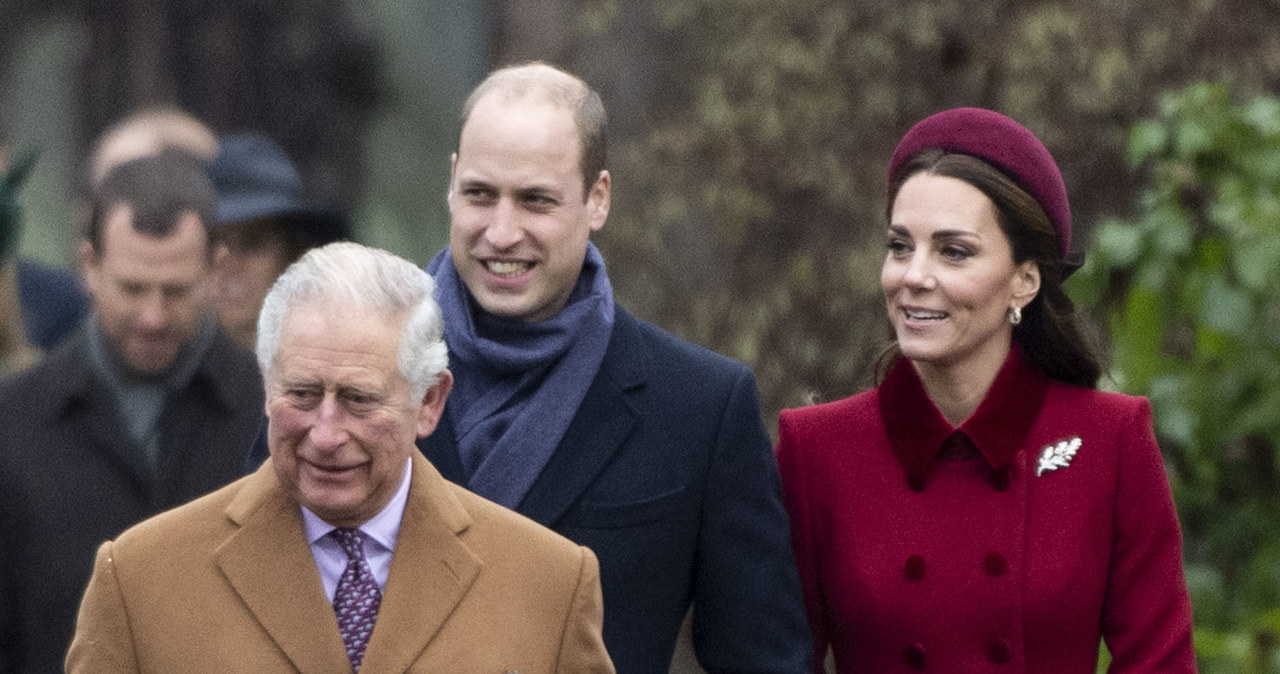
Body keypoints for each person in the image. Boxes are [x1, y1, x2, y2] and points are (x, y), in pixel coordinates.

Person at [417, 62, 810, 672]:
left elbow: (763, 658)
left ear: (598, 198)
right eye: (480, 194)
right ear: (450, 184)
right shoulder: (353, 365)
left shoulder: (700, 407)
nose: (500, 231)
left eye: (536, 201)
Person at [776, 107, 1196, 672]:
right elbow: (773, 659)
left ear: (1024, 279)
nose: (913, 276)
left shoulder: (1111, 440)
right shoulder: (815, 449)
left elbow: (1160, 664)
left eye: (954, 251)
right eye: (900, 246)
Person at [66, 242, 615, 673]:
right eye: (302, 394)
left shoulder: (549, 584)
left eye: (359, 399)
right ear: (266, 385)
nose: (325, 435)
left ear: (430, 402)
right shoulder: (141, 580)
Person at [0, 153, 265, 672]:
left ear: (216, 270)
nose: (153, 316)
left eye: (176, 290)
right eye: (132, 288)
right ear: (89, 267)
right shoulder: (12, 421)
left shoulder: (274, 413)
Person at [208, 132, 350, 349]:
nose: (231, 262)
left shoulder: (338, 363)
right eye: (215, 243)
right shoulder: (165, 371)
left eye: (253, 243)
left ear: (294, 255)